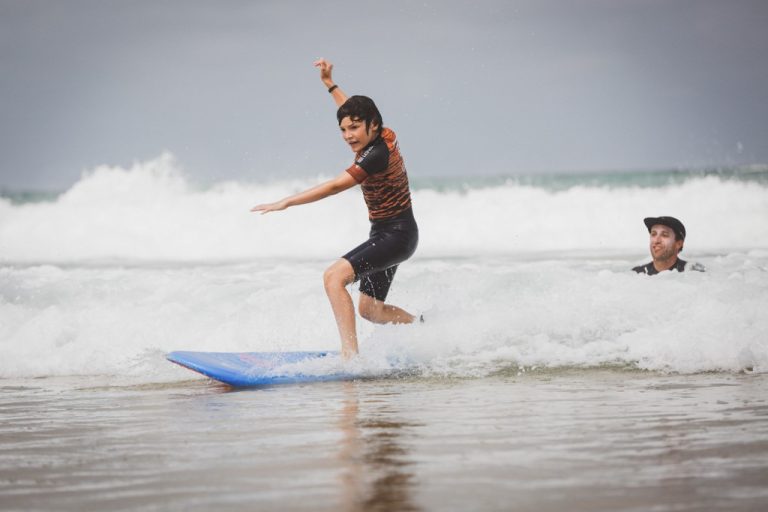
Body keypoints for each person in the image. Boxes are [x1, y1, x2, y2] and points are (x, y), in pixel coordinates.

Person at [251, 59, 419, 359]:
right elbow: (352, 109)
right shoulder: (380, 130)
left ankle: (349, 357)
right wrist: (330, 84)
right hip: (387, 232)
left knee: (333, 277)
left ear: (373, 126)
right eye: (343, 130)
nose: (348, 135)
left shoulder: (376, 154)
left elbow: (334, 186)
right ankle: (424, 329)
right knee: (370, 309)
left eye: (354, 128)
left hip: (397, 234)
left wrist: (286, 201)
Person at [632, 216, 704, 275]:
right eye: (653, 234)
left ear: (678, 243)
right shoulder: (637, 274)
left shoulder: (693, 272)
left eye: (664, 235)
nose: (656, 240)